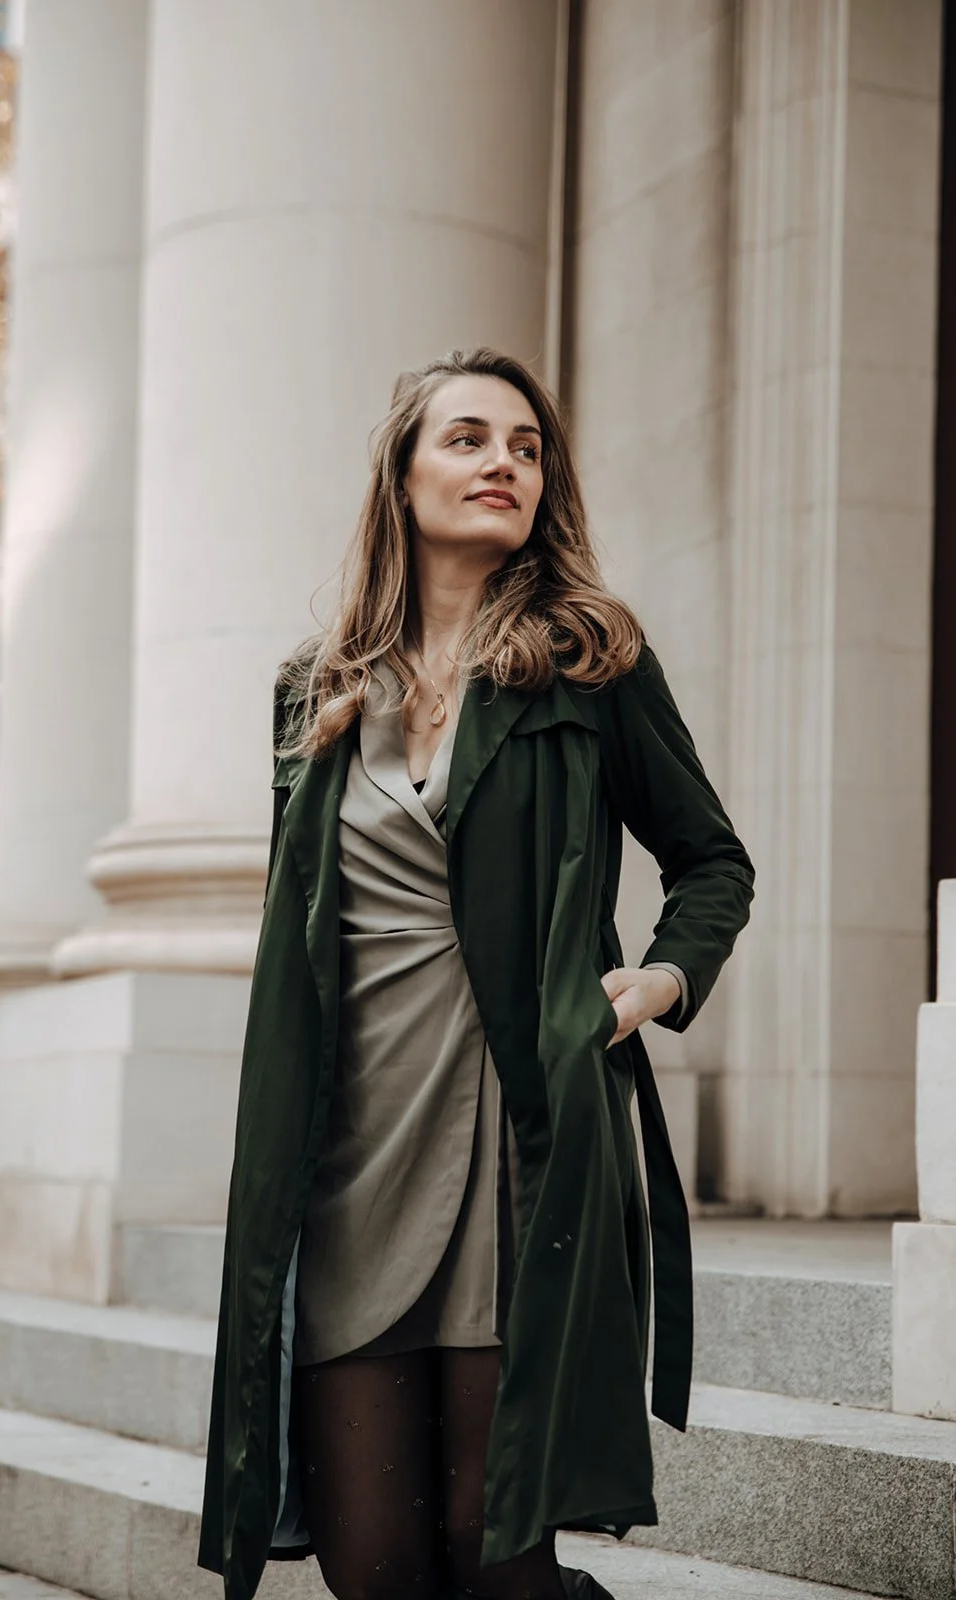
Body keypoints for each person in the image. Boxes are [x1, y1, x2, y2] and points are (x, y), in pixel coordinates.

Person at [198, 346, 755, 1600]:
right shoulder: (314, 695)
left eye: (524, 444)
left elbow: (710, 861)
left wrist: (654, 981)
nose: (502, 460)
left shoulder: (587, 662)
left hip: (523, 1144)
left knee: (497, 1562)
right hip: (351, 1151)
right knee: (373, 1564)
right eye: (465, 438)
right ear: (399, 476)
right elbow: (301, 934)